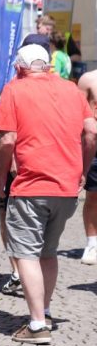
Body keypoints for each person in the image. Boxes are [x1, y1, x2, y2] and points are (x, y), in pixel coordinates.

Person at [0, 44, 97, 344]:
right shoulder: (71, 90)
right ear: (48, 66)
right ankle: (45, 311)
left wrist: (0, 177)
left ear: (20, 68)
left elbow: (8, 138)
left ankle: (37, 324)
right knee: (48, 252)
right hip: (65, 187)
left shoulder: (15, 89)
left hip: (31, 184)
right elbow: (91, 132)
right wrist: (82, 169)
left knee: (25, 253)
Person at [78, 69, 97, 264]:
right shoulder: (88, 79)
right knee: (93, 195)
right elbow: (77, 115)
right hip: (95, 145)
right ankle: (92, 243)